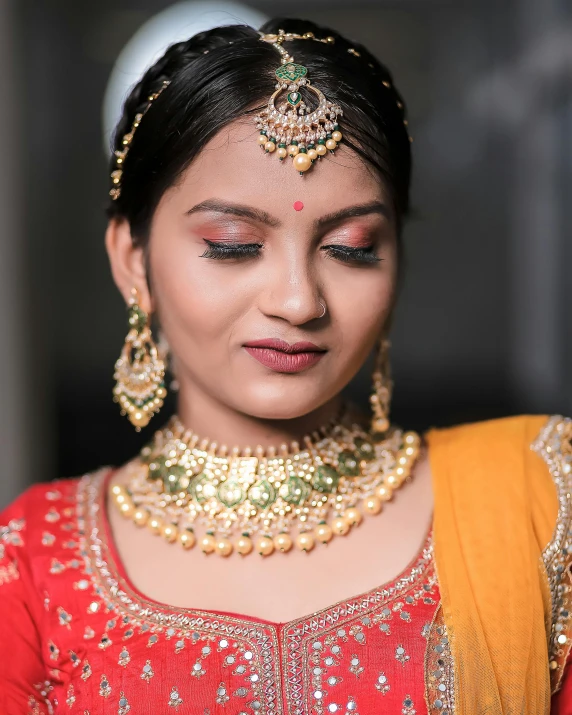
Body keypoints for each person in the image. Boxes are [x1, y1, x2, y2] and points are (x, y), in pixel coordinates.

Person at [0, 16, 570, 715]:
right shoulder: (36, 561)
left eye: (353, 246)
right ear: (132, 260)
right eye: (234, 243)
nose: (298, 300)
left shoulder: (539, 500)